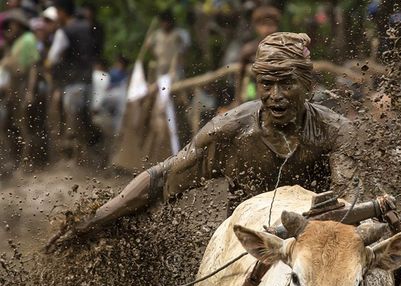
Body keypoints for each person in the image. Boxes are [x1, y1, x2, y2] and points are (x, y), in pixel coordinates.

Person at [52, 32, 357, 243]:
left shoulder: (334, 132)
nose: (275, 96)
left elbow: (351, 200)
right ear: (257, 84)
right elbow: (163, 177)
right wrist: (96, 219)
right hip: (246, 245)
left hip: (317, 241)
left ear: (307, 85)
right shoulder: (229, 131)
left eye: (287, 84)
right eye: (266, 84)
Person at [46, 0, 101, 165]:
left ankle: (75, 159)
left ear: (63, 12)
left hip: (72, 82)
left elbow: (52, 57)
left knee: (72, 120)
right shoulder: (87, 27)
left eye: (57, 11)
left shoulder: (64, 31)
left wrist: (48, 67)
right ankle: (87, 157)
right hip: (89, 80)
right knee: (85, 120)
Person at [0, 8, 41, 176]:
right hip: (14, 90)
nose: (9, 29)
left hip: (23, 88)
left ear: (18, 24)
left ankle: (27, 165)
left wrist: (30, 92)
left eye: (11, 25)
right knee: (12, 127)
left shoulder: (28, 39)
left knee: (24, 128)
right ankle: (16, 163)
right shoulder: (15, 44)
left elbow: (32, 67)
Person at [236, 5, 281, 103]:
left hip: (279, 95)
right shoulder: (250, 50)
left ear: (277, 26)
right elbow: (240, 76)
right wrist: (238, 100)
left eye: (271, 25)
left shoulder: (282, 48)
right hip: (255, 94)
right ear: (257, 26)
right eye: (264, 25)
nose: (268, 29)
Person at [144, 9, 190, 79]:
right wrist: (153, 51)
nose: (165, 24)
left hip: (175, 67)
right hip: (161, 66)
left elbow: (185, 49)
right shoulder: (156, 34)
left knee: (176, 86)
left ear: (171, 22)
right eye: (163, 22)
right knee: (162, 87)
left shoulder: (179, 33)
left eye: (166, 22)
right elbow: (148, 46)